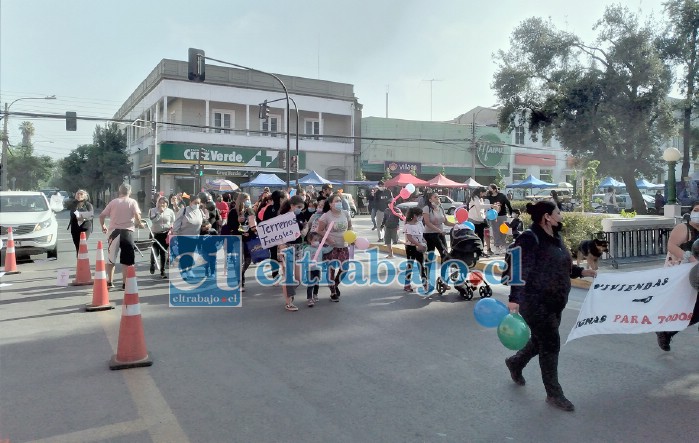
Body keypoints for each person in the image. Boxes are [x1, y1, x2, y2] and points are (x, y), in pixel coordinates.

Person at [504, 201, 596, 412]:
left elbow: (561, 264)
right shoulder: (529, 238)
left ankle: (516, 362)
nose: (561, 215)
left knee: (540, 341)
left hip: (556, 302)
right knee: (551, 344)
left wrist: (581, 272)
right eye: (558, 212)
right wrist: (514, 299)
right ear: (547, 216)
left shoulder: (555, 237)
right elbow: (519, 269)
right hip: (535, 302)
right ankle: (554, 394)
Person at [655, 201, 699, 351]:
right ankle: (666, 331)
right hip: (684, 275)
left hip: (697, 277)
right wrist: (690, 258)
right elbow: (671, 245)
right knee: (691, 311)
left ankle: (668, 331)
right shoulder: (684, 228)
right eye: (696, 209)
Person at [99, 184, 144, 289]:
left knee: (111, 258)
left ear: (119, 191)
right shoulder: (132, 202)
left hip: (114, 232)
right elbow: (137, 215)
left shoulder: (113, 202)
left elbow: (102, 215)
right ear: (130, 192)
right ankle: (125, 283)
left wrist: (103, 226)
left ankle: (110, 281)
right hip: (127, 232)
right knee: (127, 260)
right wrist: (140, 223)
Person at [316, 193, 352, 302]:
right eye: (336, 201)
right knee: (331, 269)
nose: (339, 203)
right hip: (331, 246)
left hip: (343, 245)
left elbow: (350, 227)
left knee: (345, 268)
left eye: (340, 201)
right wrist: (328, 239)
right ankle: (333, 292)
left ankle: (335, 285)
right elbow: (319, 230)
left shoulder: (346, 214)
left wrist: (351, 237)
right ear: (331, 204)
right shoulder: (326, 216)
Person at [222, 192, 257, 292]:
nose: (248, 202)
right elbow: (230, 226)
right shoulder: (233, 212)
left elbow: (253, 225)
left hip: (248, 239)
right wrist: (238, 222)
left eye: (249, 200)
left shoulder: (250, 211)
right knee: (239, 261)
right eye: (246, 200)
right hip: (237, 239)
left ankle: (240, 273)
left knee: (248, 260)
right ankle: (240, 282)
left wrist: (252, 231)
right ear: (241, 200)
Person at [278, 195, 306, 311]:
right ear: (292, 206)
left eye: (302, 207)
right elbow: (277, 233)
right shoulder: (282, 217)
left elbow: (305, 224)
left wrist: (305, 230)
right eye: (298, 207)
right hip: (287, 247)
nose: (300, 209)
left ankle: (289, 293)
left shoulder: (300, 215)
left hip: (299, 247)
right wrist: (280, 245)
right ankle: (288, 302)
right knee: (288, 276)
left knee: (298, 279)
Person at [422, 191, 455, 291]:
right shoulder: (426, 208)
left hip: (440, 234)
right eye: (435, 197)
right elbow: (427, 223)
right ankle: (426, 281)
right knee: (430, 257)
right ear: (430, 199)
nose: (438, 199)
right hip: (430, 235)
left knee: (445, 255)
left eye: (438, 197)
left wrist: (457, 224)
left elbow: (446, 221)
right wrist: (439, 230)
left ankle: (444, 280)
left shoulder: (440, 208)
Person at [148, 196, 175, 278]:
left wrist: (171, 229)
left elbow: (173, 221)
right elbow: (153, 220)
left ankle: (162, 271)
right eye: (160, 202)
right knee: (155, 251)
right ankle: (152, 264)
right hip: (155, 233)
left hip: (165, 234)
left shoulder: (170, 211)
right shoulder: (152, 210)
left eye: (164, 202)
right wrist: (159, 213)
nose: (162, 204)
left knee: (163, 252)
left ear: (167, 204)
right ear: (157, 203)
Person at [403, 207, 427, 292]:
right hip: (411, 247)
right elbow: (409, 238)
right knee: (410, 265)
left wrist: (423, 243)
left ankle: (425, 284)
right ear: (414, 215)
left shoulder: (420, 224)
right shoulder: (408, 225)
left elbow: (422, 235)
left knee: (421, 265)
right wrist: (418, 244)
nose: (421, 217)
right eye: (420, 215)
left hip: (420, 247)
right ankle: (407, 284)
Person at [486, 184, 513, 254]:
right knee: (495, 231)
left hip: (502, 215)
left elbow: (508, 203)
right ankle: (497, 246)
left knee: (503, 230)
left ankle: (503, 245)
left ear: (494, 190)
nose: (489, 190)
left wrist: (511, 213)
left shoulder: (501, 195)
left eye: (490, 189)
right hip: (493, 216)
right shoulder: (488, 197)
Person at [66, 189, 94, 255]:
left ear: (85, 196)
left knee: (82, 244)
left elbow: (91, 215)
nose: (79, 195)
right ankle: (79, 260)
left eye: (81, 194)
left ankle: (83, 259)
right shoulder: (73, 204)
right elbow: (71, 213)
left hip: (85, 227)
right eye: (78, 194)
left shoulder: (88, 205)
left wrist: (83, 218)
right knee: (77, 246)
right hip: (75, 227)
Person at [467, 187, 490, 257]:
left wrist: (484, 217)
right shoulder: (474, 198)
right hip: (473, 220)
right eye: (484, 193)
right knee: (473, 236)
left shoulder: (480, 199)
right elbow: (480, 206)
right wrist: (491, 205)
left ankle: (481, 251)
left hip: (480, 220)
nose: (485, 195)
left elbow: (481, 210)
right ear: (481, 192)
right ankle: (472, 251)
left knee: (481, 236)